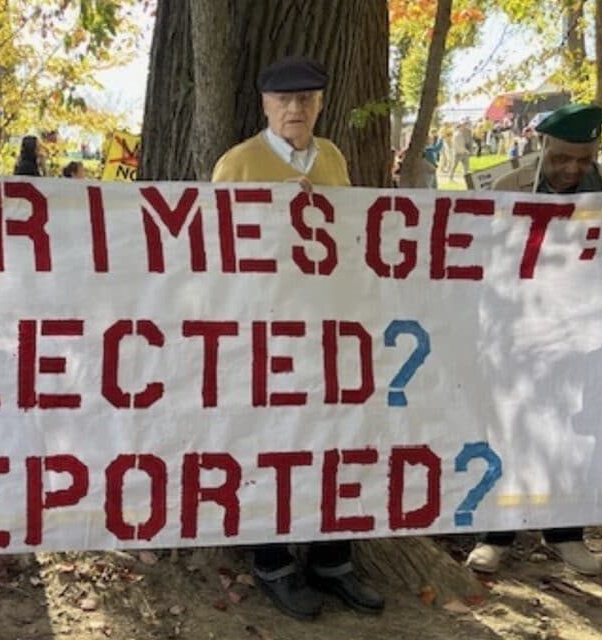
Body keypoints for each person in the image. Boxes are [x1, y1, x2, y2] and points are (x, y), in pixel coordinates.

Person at [210, 57, 382, 622]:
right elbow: (214, 250)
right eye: (284, 100)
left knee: (337, 440)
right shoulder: (238, 164)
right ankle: (273, 560)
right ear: (265, 105)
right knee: (272, 444)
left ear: (320, 103)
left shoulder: (332, 157)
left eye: (306, 98)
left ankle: (333, 559)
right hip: (266, 329)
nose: (295, 109)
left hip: (329, 327)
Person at [471, 106, 602, 577]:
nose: (572, 169)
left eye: (584, 159)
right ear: (542, 147)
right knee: (510, 431)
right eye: (562, 158)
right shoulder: (508, 188)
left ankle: (566, 533)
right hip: (520, 332)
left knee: (573, 434)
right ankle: (497, 535)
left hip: (589, 335)